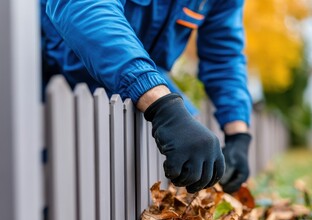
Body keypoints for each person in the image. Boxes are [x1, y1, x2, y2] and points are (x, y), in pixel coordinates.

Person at [40, 0, 252, 194]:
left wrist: (238, 135)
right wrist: (162, 105)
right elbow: (84, 7)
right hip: (44, 83)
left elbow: (224, 54)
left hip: (127, 88)